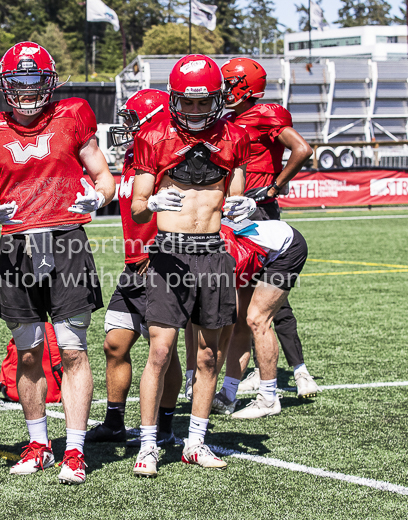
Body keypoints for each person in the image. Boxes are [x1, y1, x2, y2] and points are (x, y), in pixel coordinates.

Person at [0, 42, 115, 485]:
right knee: (28, 352)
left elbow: (103, 175)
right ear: (4, 85)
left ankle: (74, 449)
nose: (28, 92)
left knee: (72, 348)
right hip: (16, 245)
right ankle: (38, 444)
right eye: (19, 82)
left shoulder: (73, 114)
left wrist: (101, 196)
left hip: (67, 238)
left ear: (50, 83)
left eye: (36, 82)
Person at [130, 55, 252, 476]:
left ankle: (195, 442)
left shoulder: (234, 136)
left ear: (217, 100)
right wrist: (152, 205)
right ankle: (148, 445)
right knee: (160, 351)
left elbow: (234, 201)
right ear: (175, 99)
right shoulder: (154, 133)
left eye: (204, 103)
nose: (196, 111)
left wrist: (245, 207)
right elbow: (138, 206)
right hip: (170, 252)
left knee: (206, 356)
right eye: (189, 103)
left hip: (213, 252)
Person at [84, 89, 182, 446]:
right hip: (132, 267)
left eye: (132, 119)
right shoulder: (132, 157)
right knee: (115, 344)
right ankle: (114, 422)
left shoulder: (171, 155)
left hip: (160, 264)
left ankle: (167, 425)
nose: (126, 126)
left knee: (163, 351)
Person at [220, 57, 318, 399]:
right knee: (250, 304)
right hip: (237, 212)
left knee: (264, 305)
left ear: (246, 86)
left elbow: (302, 148)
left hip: (255, 211)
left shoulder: (264, 113)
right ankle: (253, 378)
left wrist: (275, 185)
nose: (224, 89)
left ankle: (293, 374)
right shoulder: (231, 118)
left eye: (229, 83)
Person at [214, 219, 310, 418]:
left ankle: (268, 399)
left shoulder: (224, 255)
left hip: (285, 249)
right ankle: (228, 395)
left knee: (257, 320)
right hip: (256, 253)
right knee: (239, 321)